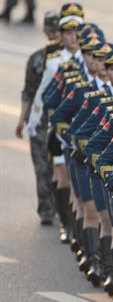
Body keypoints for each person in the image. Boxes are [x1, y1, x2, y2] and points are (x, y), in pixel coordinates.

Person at [15, 11, 60, 227]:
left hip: (61, 121)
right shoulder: (35, 59)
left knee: (61, 166)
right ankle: (46, 210)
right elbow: (28, 91)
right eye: (50, 30)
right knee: (42, 166)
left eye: (57, 30)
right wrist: (22, 119)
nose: (54, 34)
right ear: (44, 31)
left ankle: (63, 209)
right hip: (39, 119)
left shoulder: (67, 61)